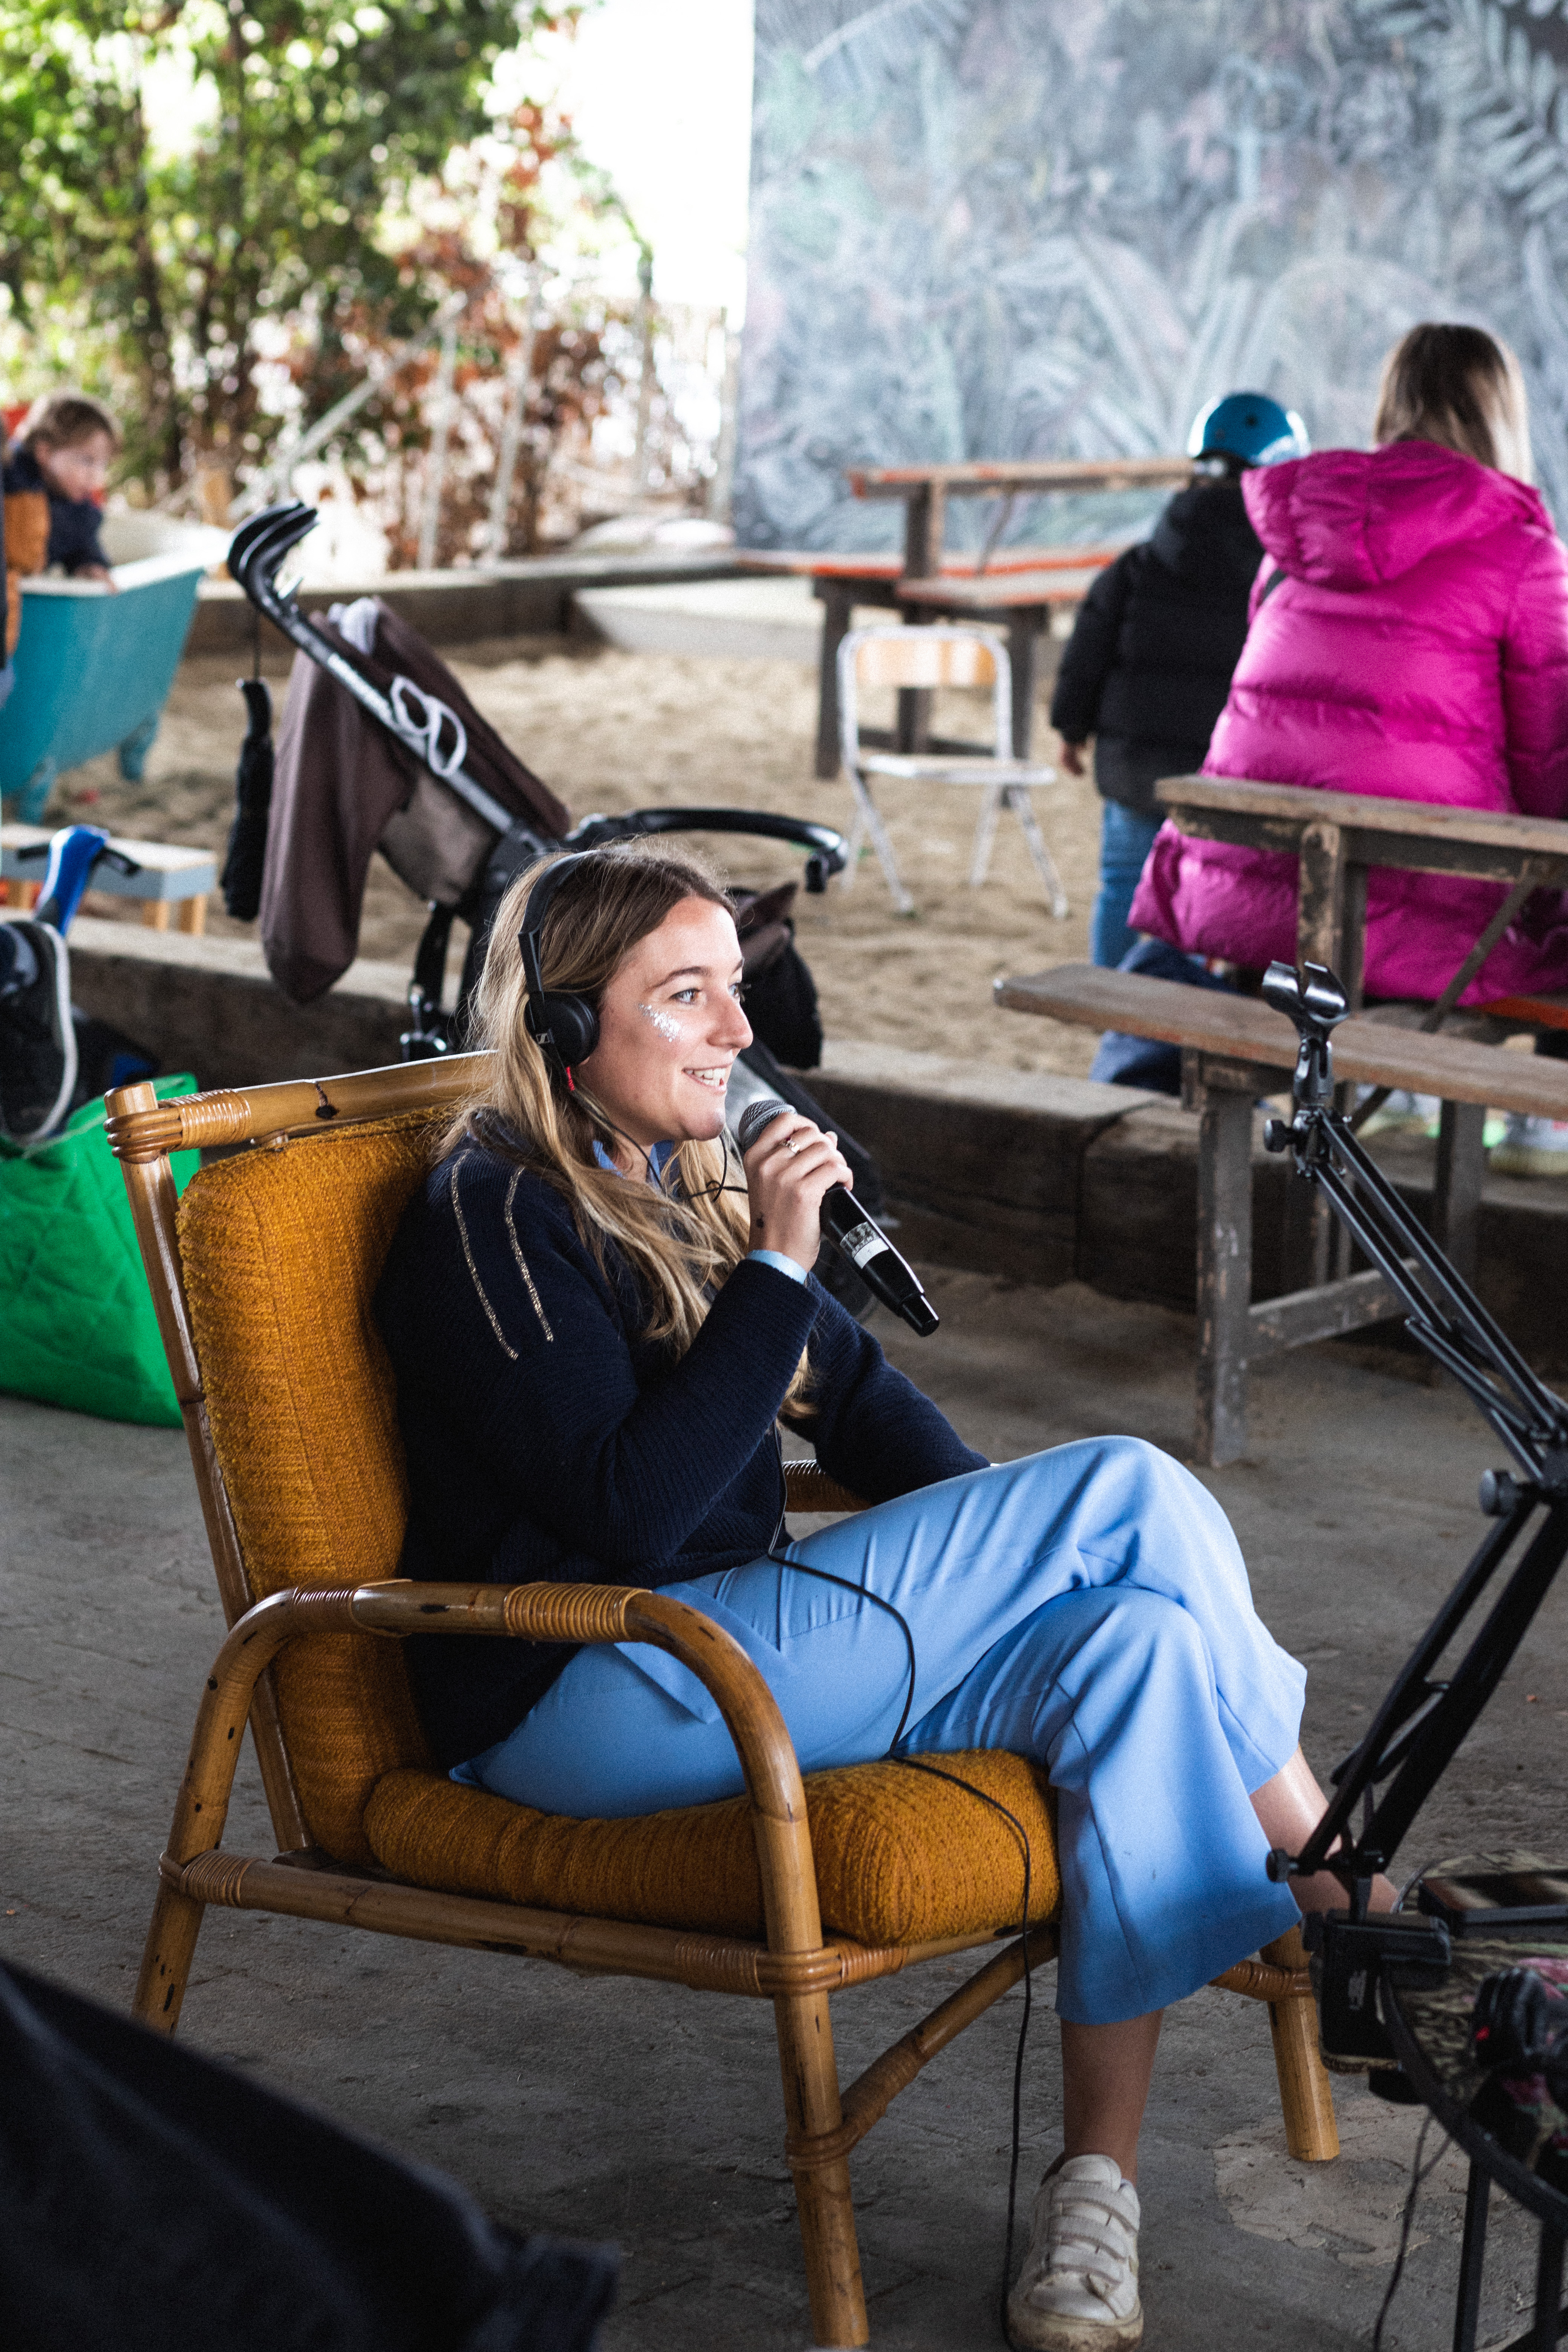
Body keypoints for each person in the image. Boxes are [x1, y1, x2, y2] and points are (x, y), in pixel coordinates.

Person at [374, 842, 1382, 2352]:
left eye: (737, 992)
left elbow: (871, 1417)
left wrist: (1006, 1554)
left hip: (732, 1654)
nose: (736, 1033)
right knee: (1123, 1488)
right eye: (689, 996)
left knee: (1131, 1636)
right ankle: (1347, 1910)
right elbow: (627, 1512)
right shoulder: (491, 1212)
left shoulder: (684, 1187)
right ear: (567, 1033)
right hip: (571, 1687)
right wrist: (783, 1269)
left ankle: (1091, 2198)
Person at [1128, 323, 1568, 1175]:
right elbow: (1552, 763)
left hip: (1244, 907)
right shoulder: (1524, 556)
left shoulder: (1294, 540)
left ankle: (1394, 1104)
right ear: (1502, 415)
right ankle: (1526, 1127)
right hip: (1411, 932)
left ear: (1387, 408)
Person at [1050, 392, 1309, 970]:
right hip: (1222, 773)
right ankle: (1171, 1025)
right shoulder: (1280, 578)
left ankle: (1115, 1021)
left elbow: (1089, 648)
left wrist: (1070, 729)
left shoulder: (1141, 562)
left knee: (1123, 883)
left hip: (1135, 763)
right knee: (1202, 896)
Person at [2, 390, 119, 586]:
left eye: (102, 465)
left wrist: (89, 564)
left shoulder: (80, 509)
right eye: (87, 461)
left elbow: (83, 544)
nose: (96, 477)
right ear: (45, 452)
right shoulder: (11, 474)